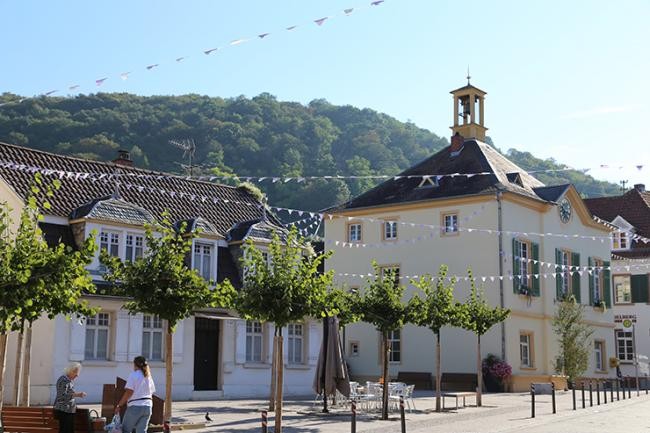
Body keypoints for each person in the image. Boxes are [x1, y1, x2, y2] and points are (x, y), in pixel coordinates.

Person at [116, 356, 156, 433]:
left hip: (135, 406)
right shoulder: (148, 377)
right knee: (141, 431)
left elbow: (129, 392)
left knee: (125, 430)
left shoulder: (133, 375)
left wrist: (119, 405)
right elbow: (151, 392)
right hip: (148, 406)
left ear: (135, 364)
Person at [53, 362, 87, 433]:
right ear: (71, 371)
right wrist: (78, 395)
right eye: (76, 372)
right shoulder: (63, 380)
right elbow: (62, 396)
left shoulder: (69, 380)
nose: (77, 375)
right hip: (64, 411)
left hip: (68, 411)